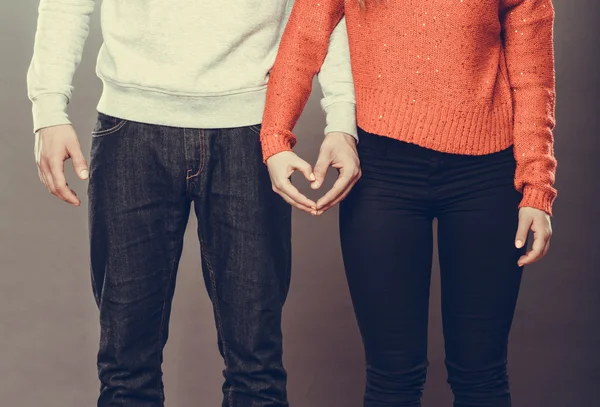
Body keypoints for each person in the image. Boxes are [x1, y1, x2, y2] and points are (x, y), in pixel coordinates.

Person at [26, 0, 357, 406]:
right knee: (125, 369)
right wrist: (47, 110)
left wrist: (342, 119)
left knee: (257, 369)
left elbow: (327, 9)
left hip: (252, 129)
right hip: (131, 126)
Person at [261, 1, 557, 406]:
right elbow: (304, 39)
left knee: (481, 375)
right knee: (392, 378)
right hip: (383, 174)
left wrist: (537, 188)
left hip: (486, 177)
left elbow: (533, 79)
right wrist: (276, 137)